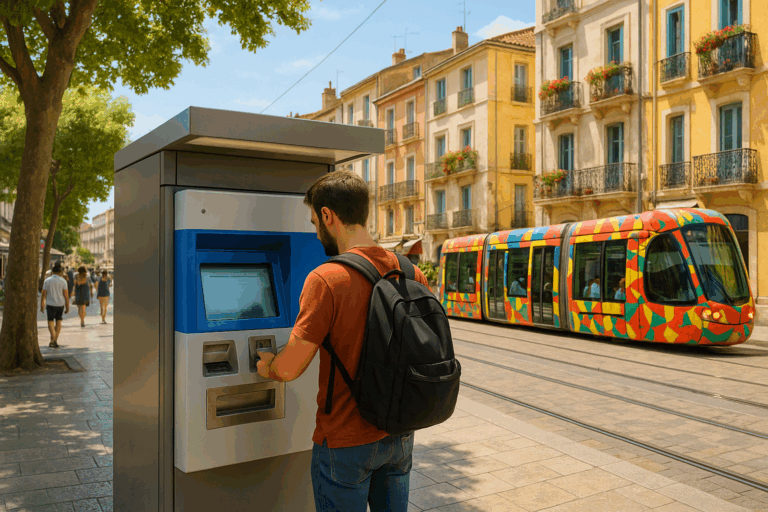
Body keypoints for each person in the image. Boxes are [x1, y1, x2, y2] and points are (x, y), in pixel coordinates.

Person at [255, 170, 427, 512]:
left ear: (327, 215)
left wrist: (267, 365)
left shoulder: (327, 279)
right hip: (399, 435)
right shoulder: (409, 271)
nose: (316, 232)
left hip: (344, 442)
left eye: (314, 222)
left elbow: (289, 369)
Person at [40, 263, 69, 347]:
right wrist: (67, 306)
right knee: (59, 321)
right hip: (60, 304)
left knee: (50, 321)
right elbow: (66, 295)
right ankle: (55, 339)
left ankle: (53, 337)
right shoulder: (63, 281)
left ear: (52, 272)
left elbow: (43, 294)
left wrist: (42, 305)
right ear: (60, 272)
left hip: (50, 304)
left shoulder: (47, 281)